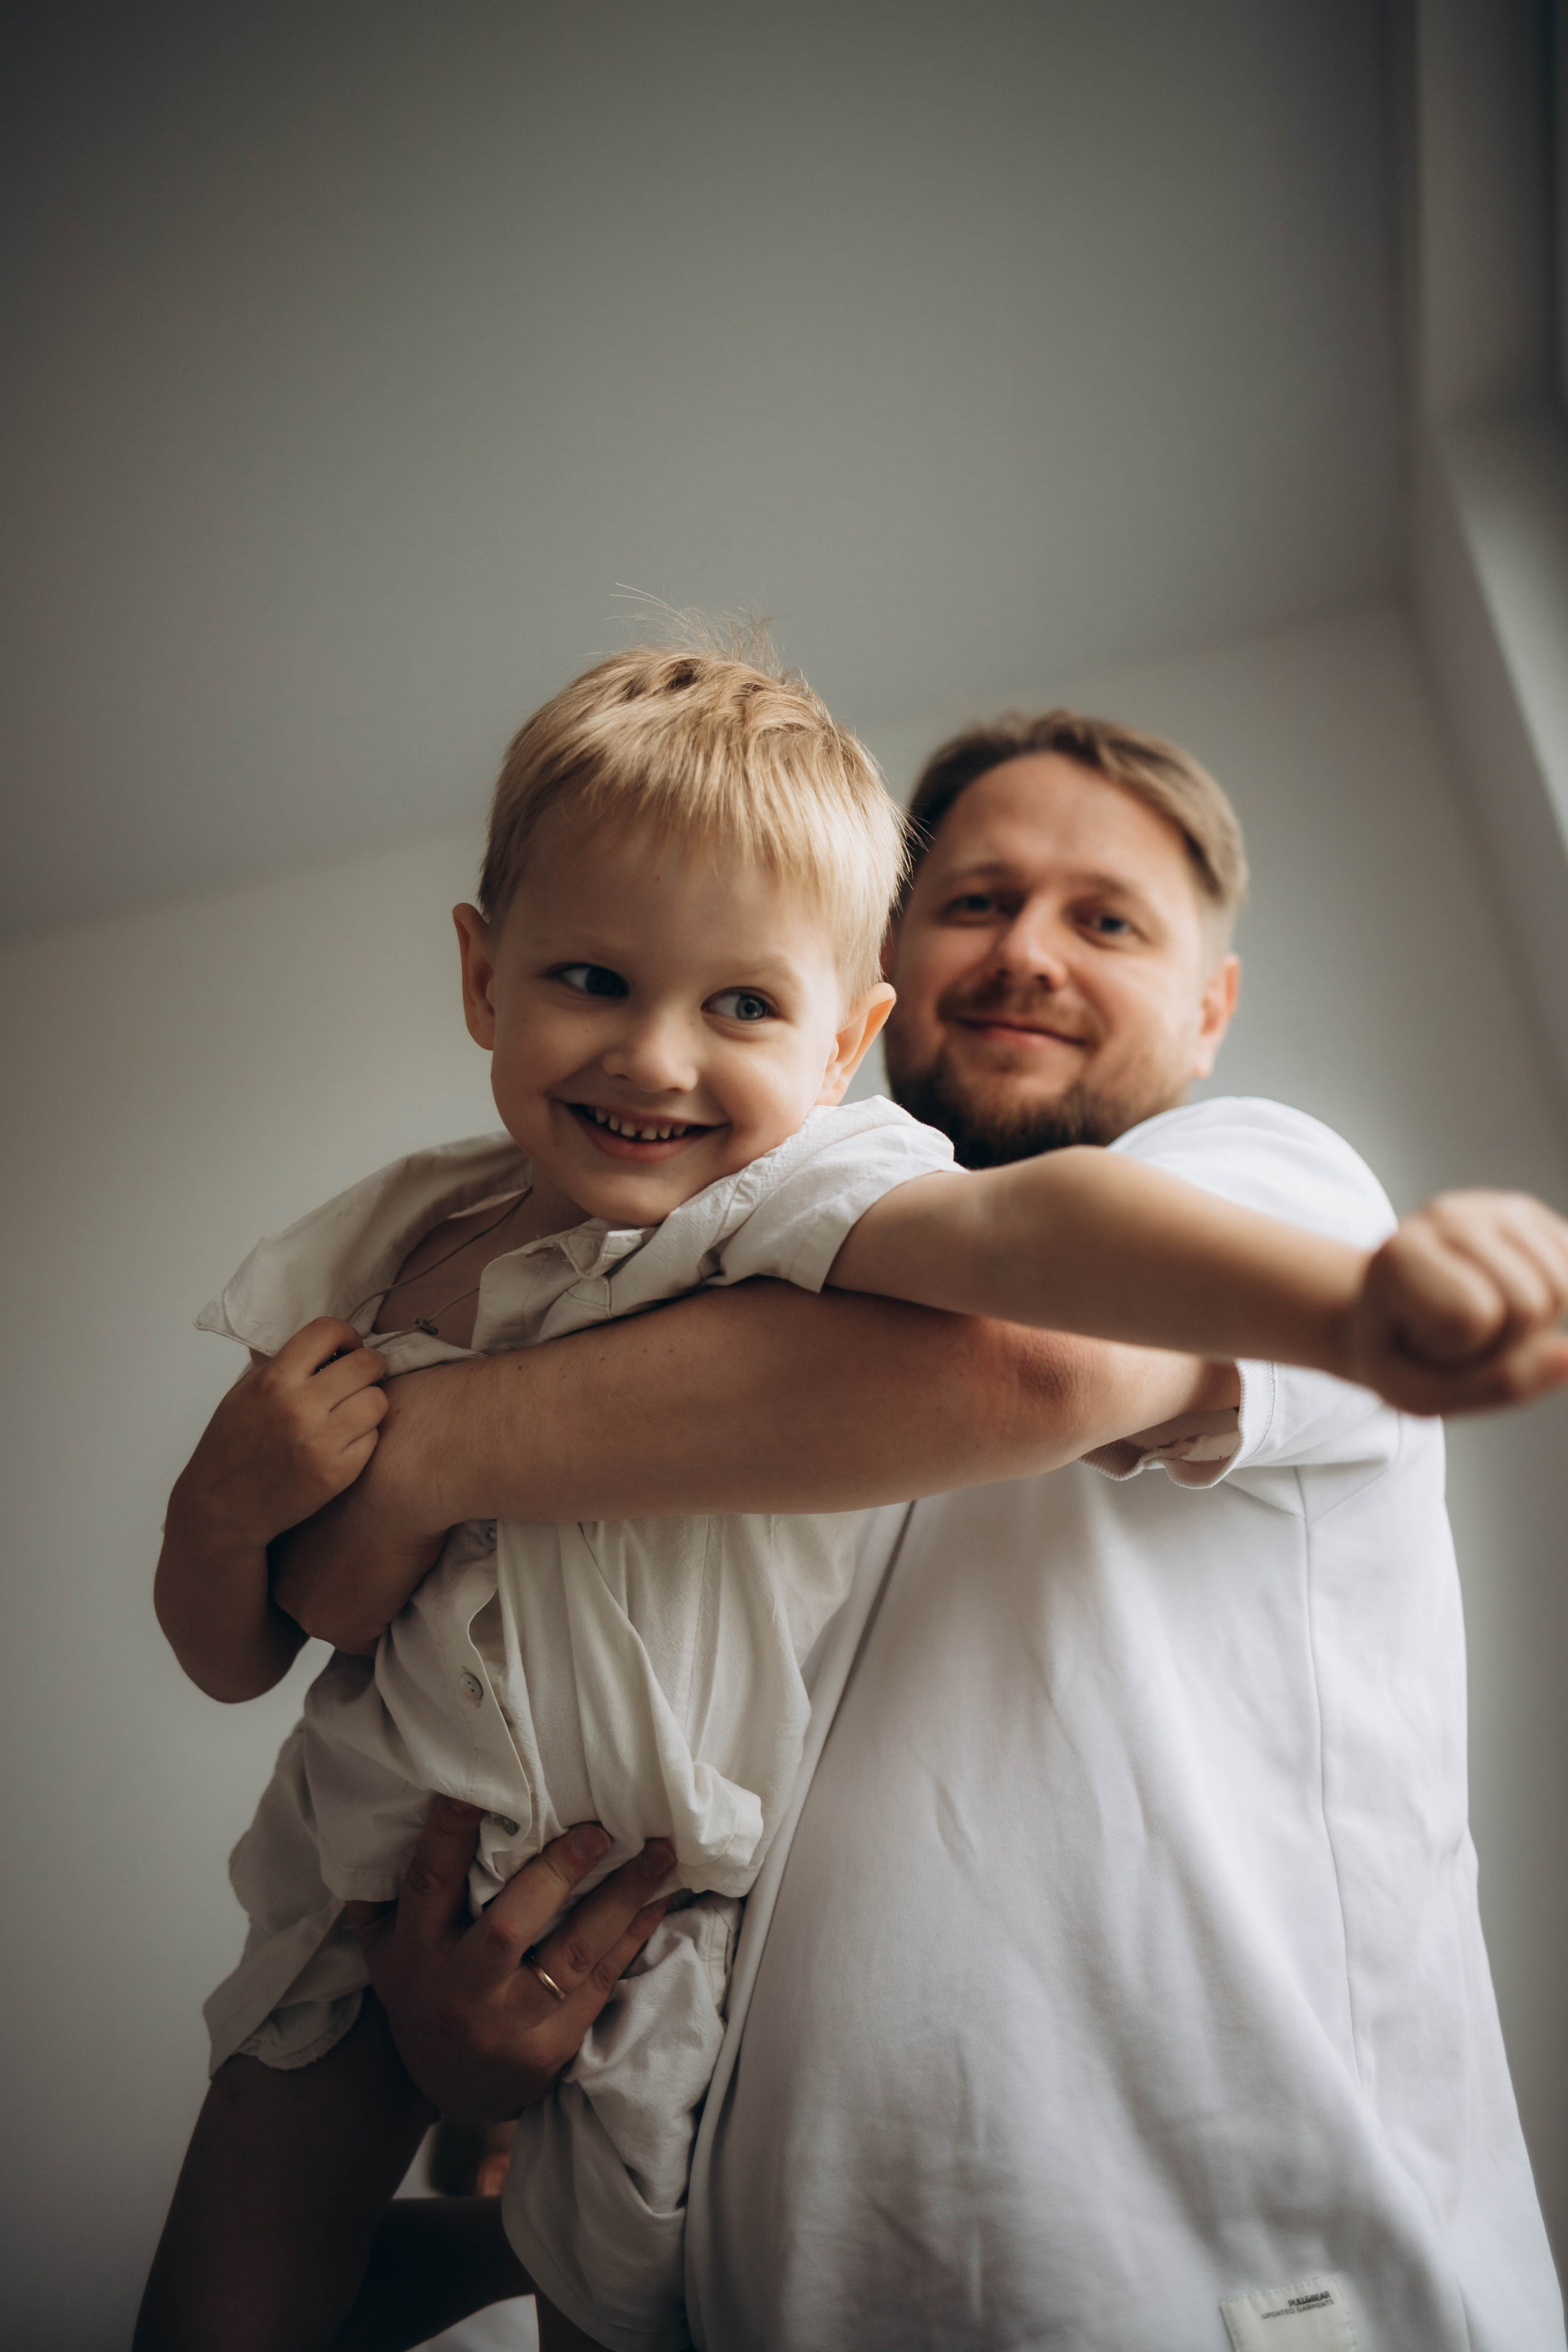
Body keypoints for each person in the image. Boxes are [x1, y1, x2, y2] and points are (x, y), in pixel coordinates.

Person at [140, 679, 1568, 2352]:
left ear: (1211, 1003)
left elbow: (1031, 1348)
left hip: (1230, 2300)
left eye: (1106, 917)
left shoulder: (1262, 1183)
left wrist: (413, 1454)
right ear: (882, 990)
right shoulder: (674, 1280)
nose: (1031, 949)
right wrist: (484, 2072)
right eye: (977, 900)